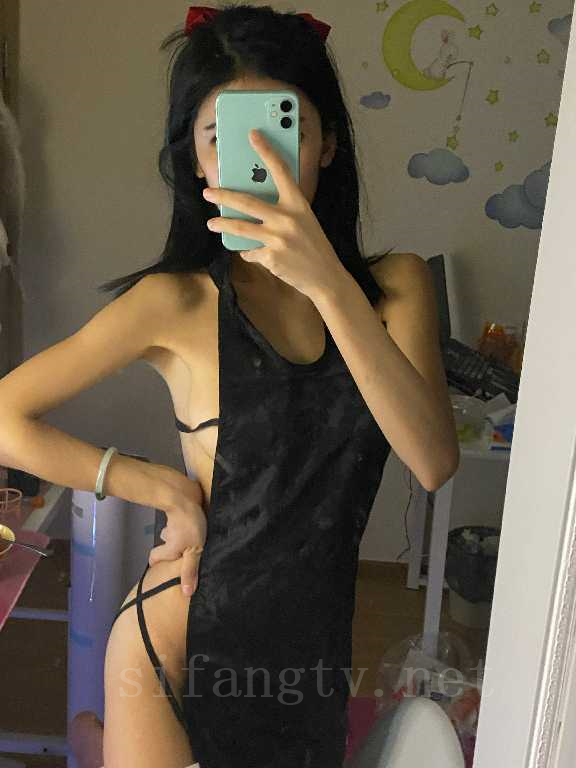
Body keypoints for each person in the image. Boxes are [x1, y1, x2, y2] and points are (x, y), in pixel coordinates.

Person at [0, 4, 459, 767]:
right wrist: (153, 484)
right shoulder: (175, 302)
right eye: (222, 137)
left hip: (310, 668)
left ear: (329, 145)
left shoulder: (396, 288)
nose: (260, 162)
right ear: (195, 160)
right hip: (173, 656)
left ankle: (94, 744)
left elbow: (434, 460)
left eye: (284, 132)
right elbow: (6, 413)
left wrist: (327, 283)